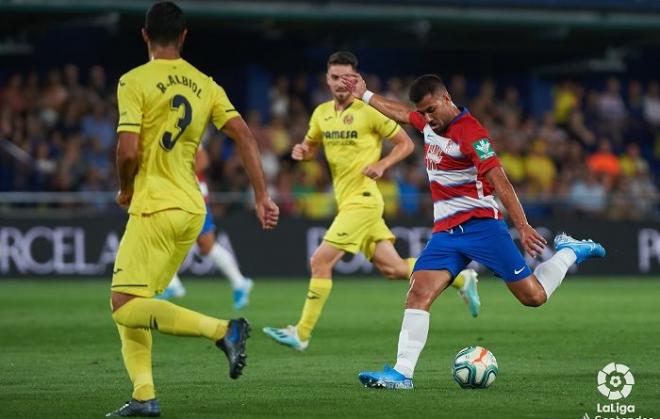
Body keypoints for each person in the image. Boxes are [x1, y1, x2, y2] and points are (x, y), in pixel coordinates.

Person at [343, 73, 605, 389]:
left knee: (533, 297)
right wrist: (365, 94)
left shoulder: (471, 133)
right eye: (422, 113)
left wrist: (521, 225)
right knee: (418, 293)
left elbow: (501, 181)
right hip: (445, 234)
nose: (426, 119)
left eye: (430, 110)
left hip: (483, 228)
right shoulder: (429, 123)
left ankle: (569, 251)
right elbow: (401, 112)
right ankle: (402, 374)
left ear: (446, 99)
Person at [107, 2, 279, 416]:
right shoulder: (206, 85)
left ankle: (224, 330)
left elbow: (128, 149)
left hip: (155, 205)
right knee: (136, 303)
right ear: (183, 36)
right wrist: (261, 195)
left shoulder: (134, 81)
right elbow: (245, 137)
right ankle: (143, 396)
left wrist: (125, 187)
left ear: (144, 35)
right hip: (191, 206)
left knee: (125, 306)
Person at [262, 51, 480, 353]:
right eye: (335, 77)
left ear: (356, 79)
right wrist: (302, 151)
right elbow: (311, 146)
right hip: (347, 202)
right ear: (327, 80)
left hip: (363, 201)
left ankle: (301, 332)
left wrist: (382, 165)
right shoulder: (321, 114)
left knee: (320, 261)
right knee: (393, 269)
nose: (341, 83)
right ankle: (461, 278)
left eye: (347, 78)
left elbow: (405, 144)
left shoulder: (370, 112)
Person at [159, 147, 254, 310]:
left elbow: (203, 160)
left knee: (193, 242)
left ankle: (172, 284)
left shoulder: (186, 125)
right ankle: (239, 282)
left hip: (193, 194)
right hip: (181, 194)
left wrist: (178, 176)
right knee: (204, 244)